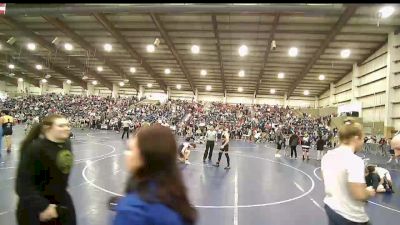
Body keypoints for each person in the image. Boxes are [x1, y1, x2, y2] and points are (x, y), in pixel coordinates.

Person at [113, 125, 197, 225]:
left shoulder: (132, 210)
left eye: (130, 149)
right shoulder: (174, 192)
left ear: (144, 157)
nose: (126, 154)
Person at [15, 114, 76, 225]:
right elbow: (23, 185)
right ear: (48, 128)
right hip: (35, 204)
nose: (67, 128)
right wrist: (43, 207)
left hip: (60, 199)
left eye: (67, 125)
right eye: (61, 126)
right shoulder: (35, 149)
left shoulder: (67, 144)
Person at [321, 121, 375, 225]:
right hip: (350, 216)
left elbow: (325, 178)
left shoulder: (327, 156)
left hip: (331, 208)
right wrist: (369, 191)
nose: (363, 142)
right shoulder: (354, 161)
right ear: (356, 138)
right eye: (362, 138)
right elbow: (359, 194)